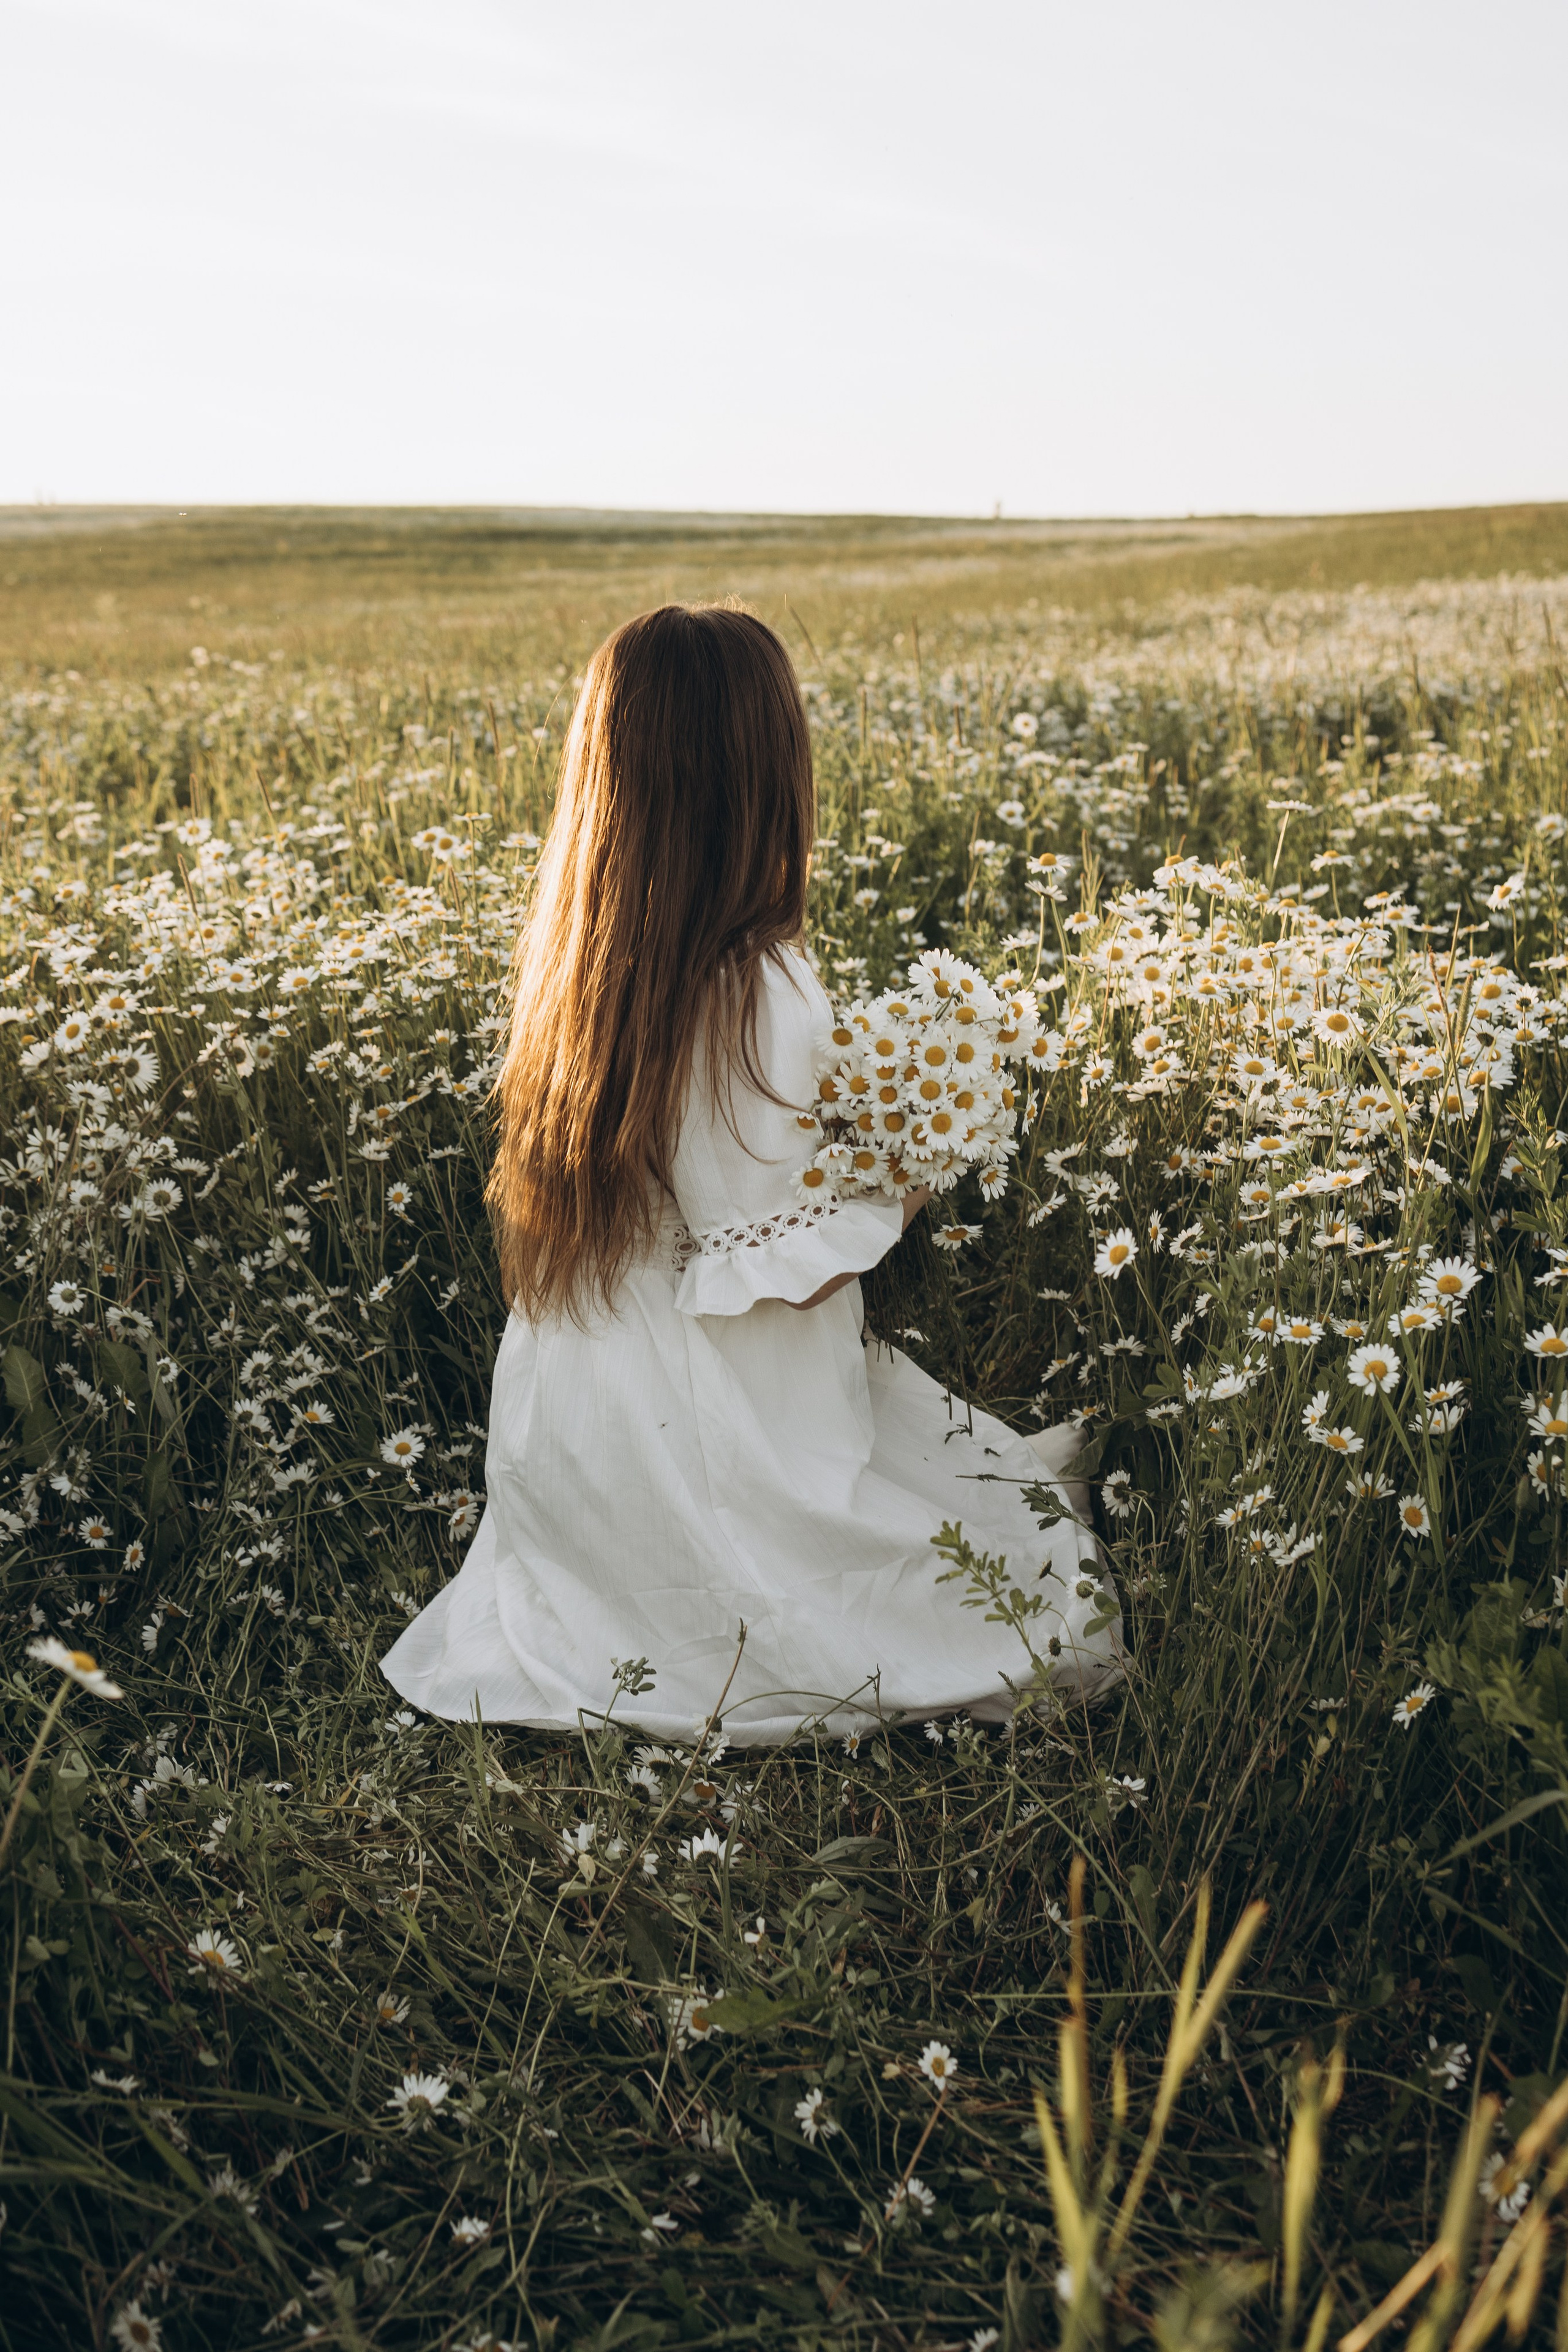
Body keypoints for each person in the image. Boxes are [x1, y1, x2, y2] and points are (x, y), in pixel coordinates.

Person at [382, 605, 1121, 1744]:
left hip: (581, 1459)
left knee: (960, 1494)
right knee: (1004, 1587)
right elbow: (784, 1272)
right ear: (764, 780)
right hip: (713, 1438)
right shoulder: (752, 990)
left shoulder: (586, 973)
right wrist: (925, 1156)